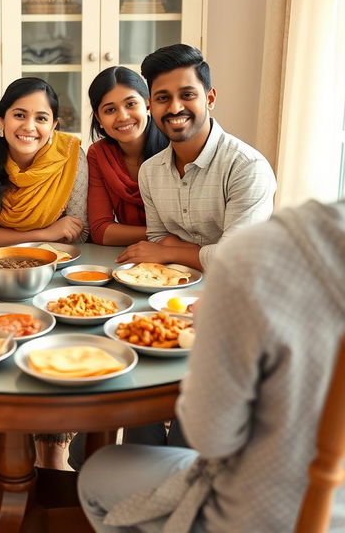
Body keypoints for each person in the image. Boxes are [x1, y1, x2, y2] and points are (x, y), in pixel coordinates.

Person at [78, 199, 345, 532]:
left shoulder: (264, 253)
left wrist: (209, 330)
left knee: (98, 470)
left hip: (253, 514)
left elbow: (210, 438)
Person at [116, 44, 277, 271]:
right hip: (172, 286)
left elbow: (237, 257)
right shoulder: (150, 171)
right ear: (151, 106)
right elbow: (158, 237)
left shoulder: (247, 167)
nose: (175, 107)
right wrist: (207, 253)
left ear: (210, 99)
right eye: (163, 98)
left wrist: (167, 252)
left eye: (187, 95)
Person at [0, 76, 88, 248]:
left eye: (41, 118)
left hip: (56, 261)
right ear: (1, 119)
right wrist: (43, 234)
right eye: (20, 115)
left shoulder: (71, 155)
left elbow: (78, 232)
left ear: (53, 126)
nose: (29, 126)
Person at [86, 66, 168, 245]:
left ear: (148, 104)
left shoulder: (174, 147)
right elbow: (101, 231)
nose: (122, 116)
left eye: (131, 104)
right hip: (131, 259)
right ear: (99, 119)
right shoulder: (99, 154)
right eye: (110, 110)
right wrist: (165, 237)